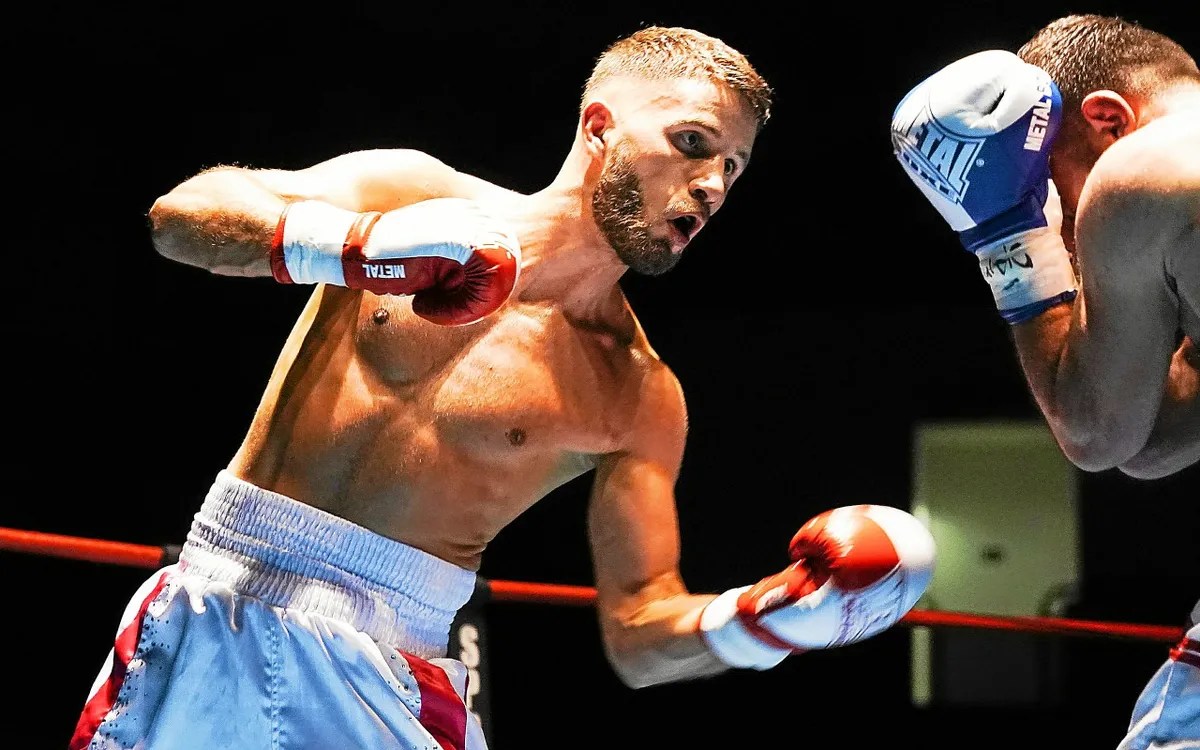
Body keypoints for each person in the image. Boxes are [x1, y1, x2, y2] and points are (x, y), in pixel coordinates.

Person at [71, 25, 936, 750]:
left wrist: (766, 621)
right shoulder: (409, 192)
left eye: (734, 169)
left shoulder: (635, 392)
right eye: (693, 144)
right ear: (599, 126)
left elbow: (640, 631)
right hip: (209, 597)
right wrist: (354, 244)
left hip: (382, 668)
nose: (711, 185)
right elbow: (183, 218)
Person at [889, 13, 1198, 750]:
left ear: (1107, 121)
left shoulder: (1143, 167)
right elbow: (1148, 443)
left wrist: (1005, 235)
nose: (1063, 234)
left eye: (1053, 196)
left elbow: (1095, 434)